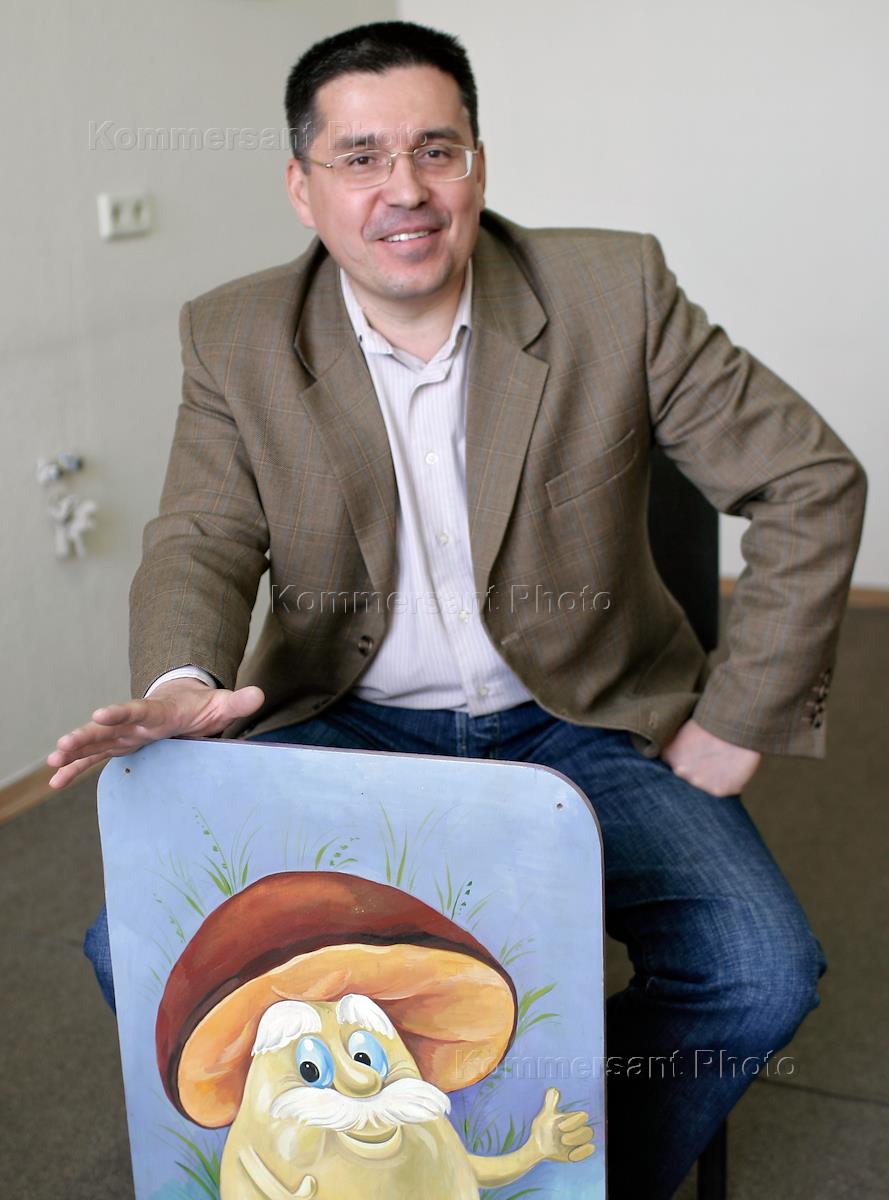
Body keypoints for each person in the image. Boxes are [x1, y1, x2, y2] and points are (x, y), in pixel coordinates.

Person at [48, 20, 866, 1199]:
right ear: (302, 187)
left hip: (581, 717)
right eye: (361, 157)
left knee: (757, 970)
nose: (406, 190)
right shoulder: (233, 333)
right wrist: (183, 684)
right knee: (131, 945)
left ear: (476, 163)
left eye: (436, 150)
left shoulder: (614, 290)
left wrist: (742, 715)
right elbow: (202, 536)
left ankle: (564, 1180)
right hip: (348, 720)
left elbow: (808, 479)